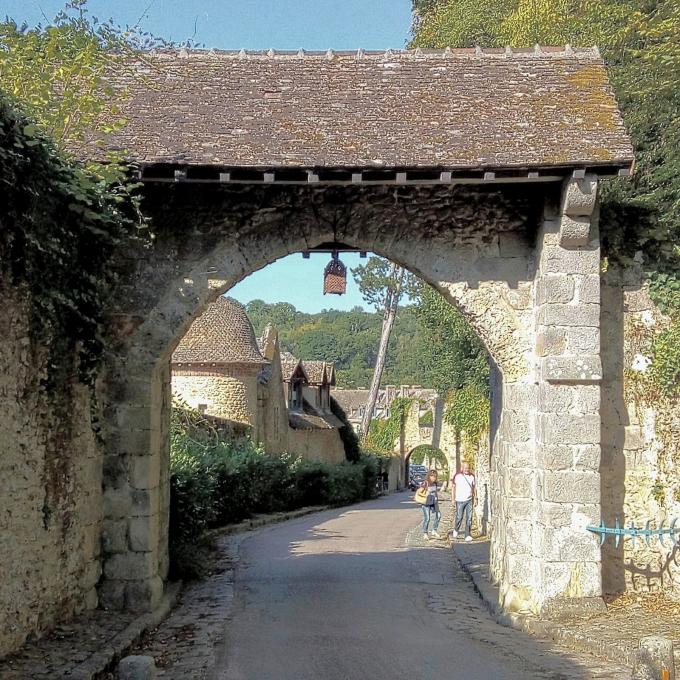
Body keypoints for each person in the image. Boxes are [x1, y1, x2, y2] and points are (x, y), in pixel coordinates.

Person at [451, 462, 475, 542]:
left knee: (469, 518)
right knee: (459, 517)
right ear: (462, 468)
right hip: (459, 500)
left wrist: (476, 497)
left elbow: (474, 488)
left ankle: (467, 534)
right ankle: (456, 529)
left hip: (469, 499)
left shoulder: (472, 476)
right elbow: (453, 488)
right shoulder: (457, 476)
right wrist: (453, 499)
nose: (467, 469)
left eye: (468, 468)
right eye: (465, 468)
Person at [420, 469, 441, 540]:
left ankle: (434, 530)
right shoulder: (425, 483)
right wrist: (426, 494)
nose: (433, 478)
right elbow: (419, 492)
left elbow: (435, 492)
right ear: (429, 476)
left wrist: (437, 499)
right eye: (432, 476)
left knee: (438, 516)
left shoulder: (435, 483)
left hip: (434, 502)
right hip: (426, 502)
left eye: (435, 476)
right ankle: (425, 533)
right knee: (427, 518)